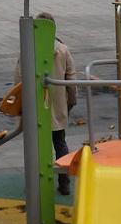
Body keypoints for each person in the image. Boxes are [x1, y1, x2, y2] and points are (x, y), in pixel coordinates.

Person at [15, 12, 77, 196]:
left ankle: (36, 182)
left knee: (36, 145)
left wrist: (19, 104)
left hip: (35, 103)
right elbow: (71, 78)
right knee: (60, 142)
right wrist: (71, 100)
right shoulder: (63, 50)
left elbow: (19, 78)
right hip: (58, 103)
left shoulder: (28, 49)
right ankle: (64, 182)